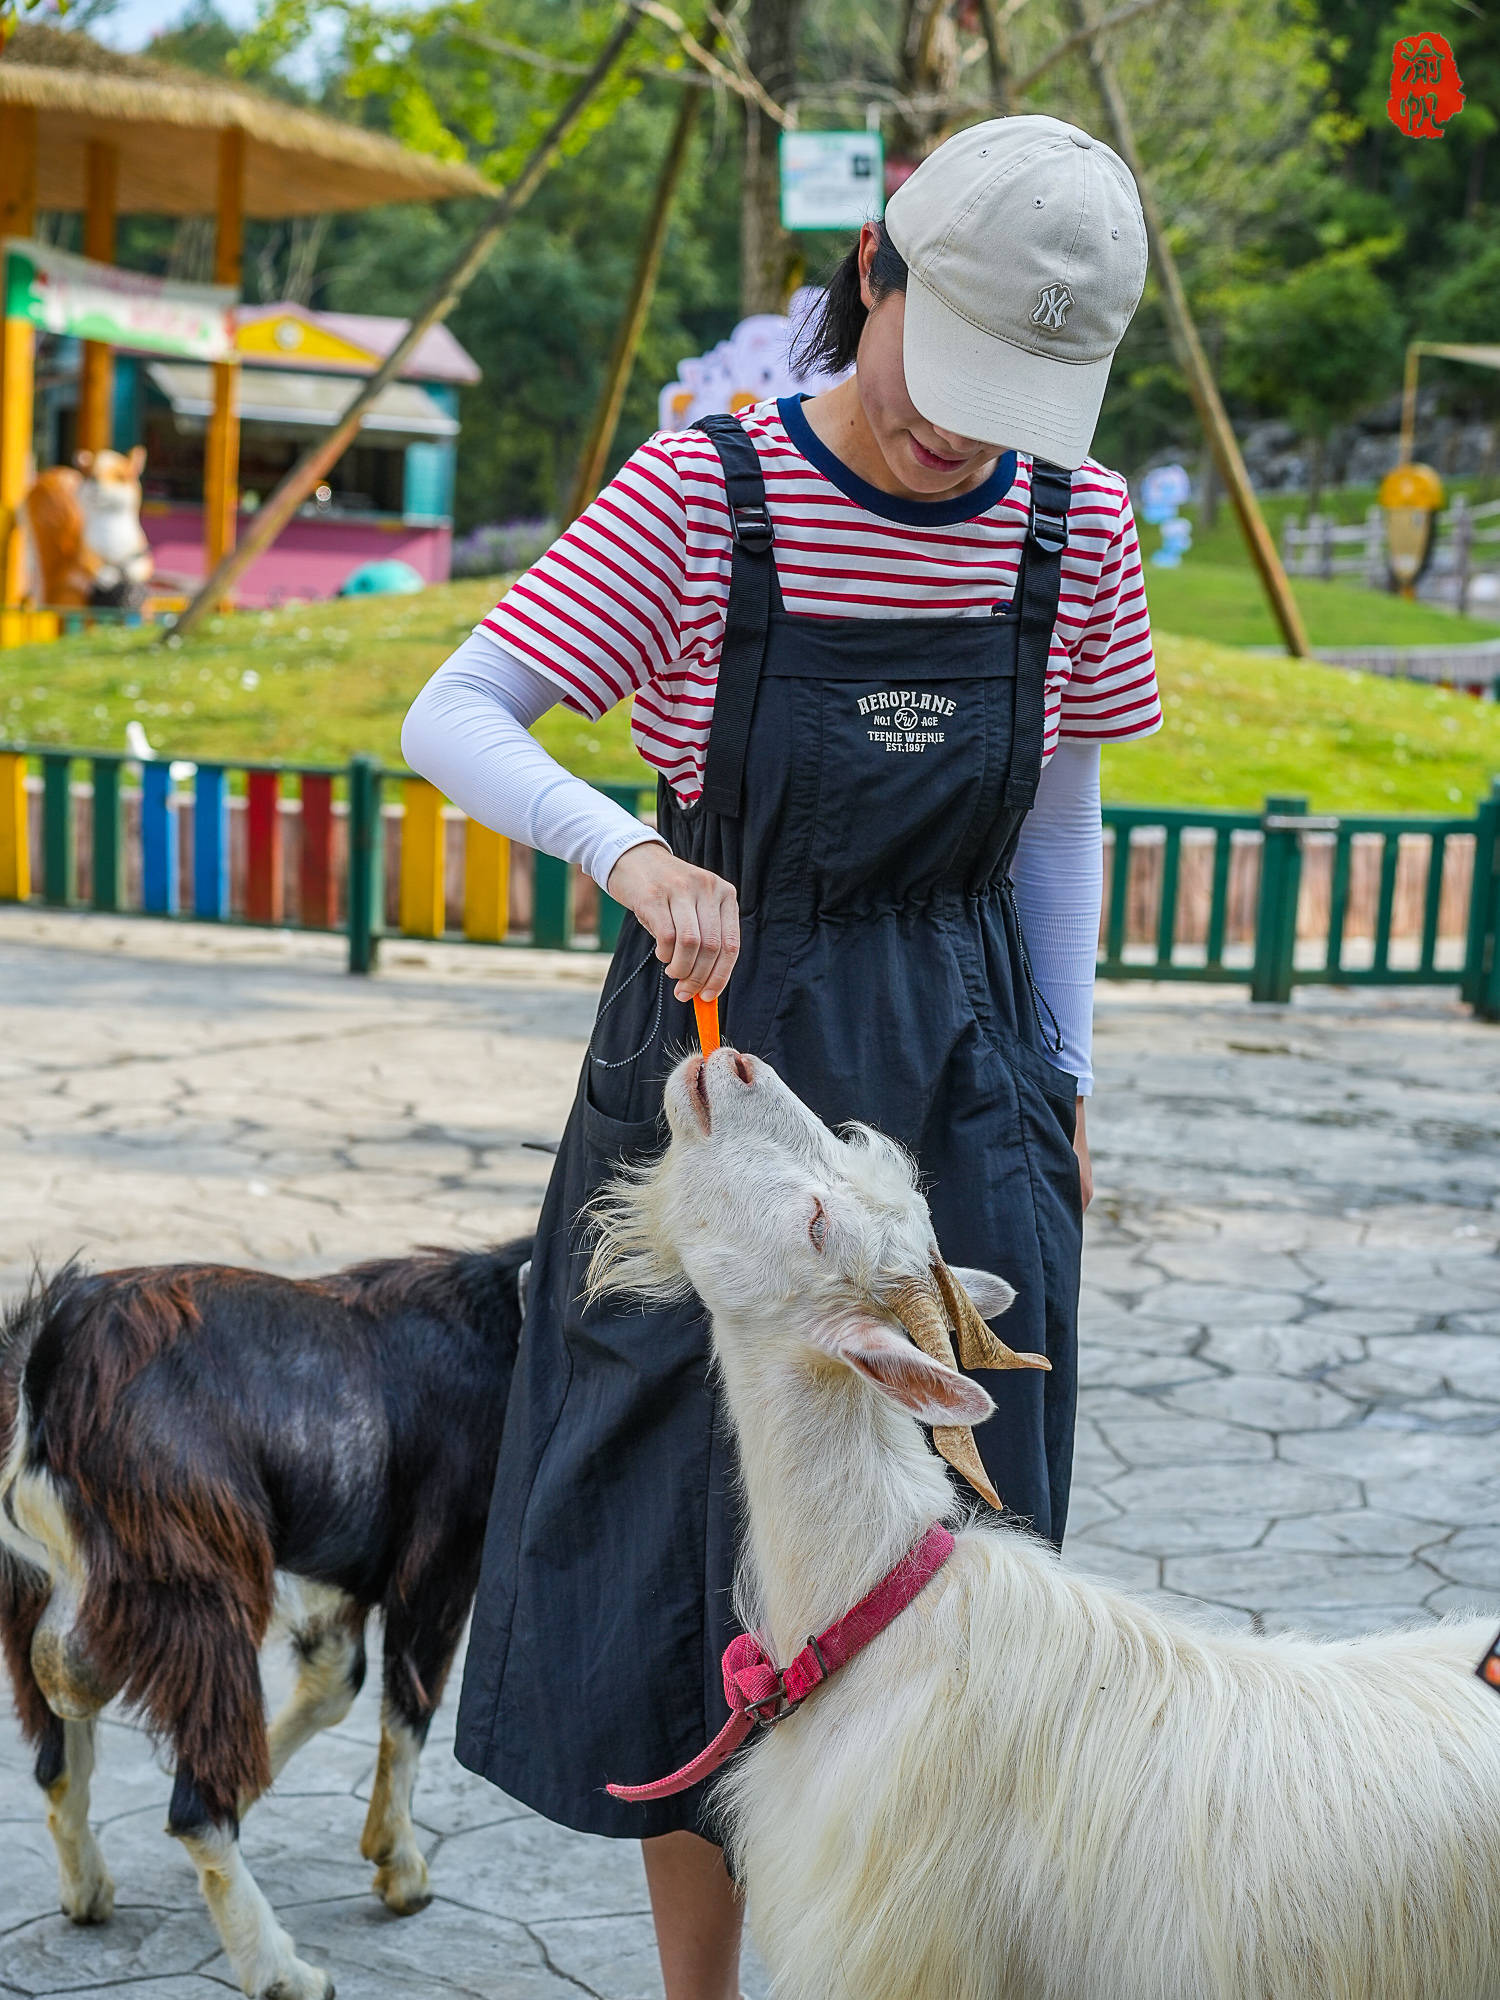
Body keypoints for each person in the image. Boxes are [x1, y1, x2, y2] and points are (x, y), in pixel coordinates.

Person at [403, 112, 1159, 2000]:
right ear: (876, 274)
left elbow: (1057, 825)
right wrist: (633, 850)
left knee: (953, 1569)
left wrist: (1059, 1075)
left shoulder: (1080, 524)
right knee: (688, 1553)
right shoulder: (704, 490)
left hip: (963, 1060)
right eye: (944, 377)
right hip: (725, 1070)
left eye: (1017, 401)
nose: (963, 435)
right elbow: (455, 707)